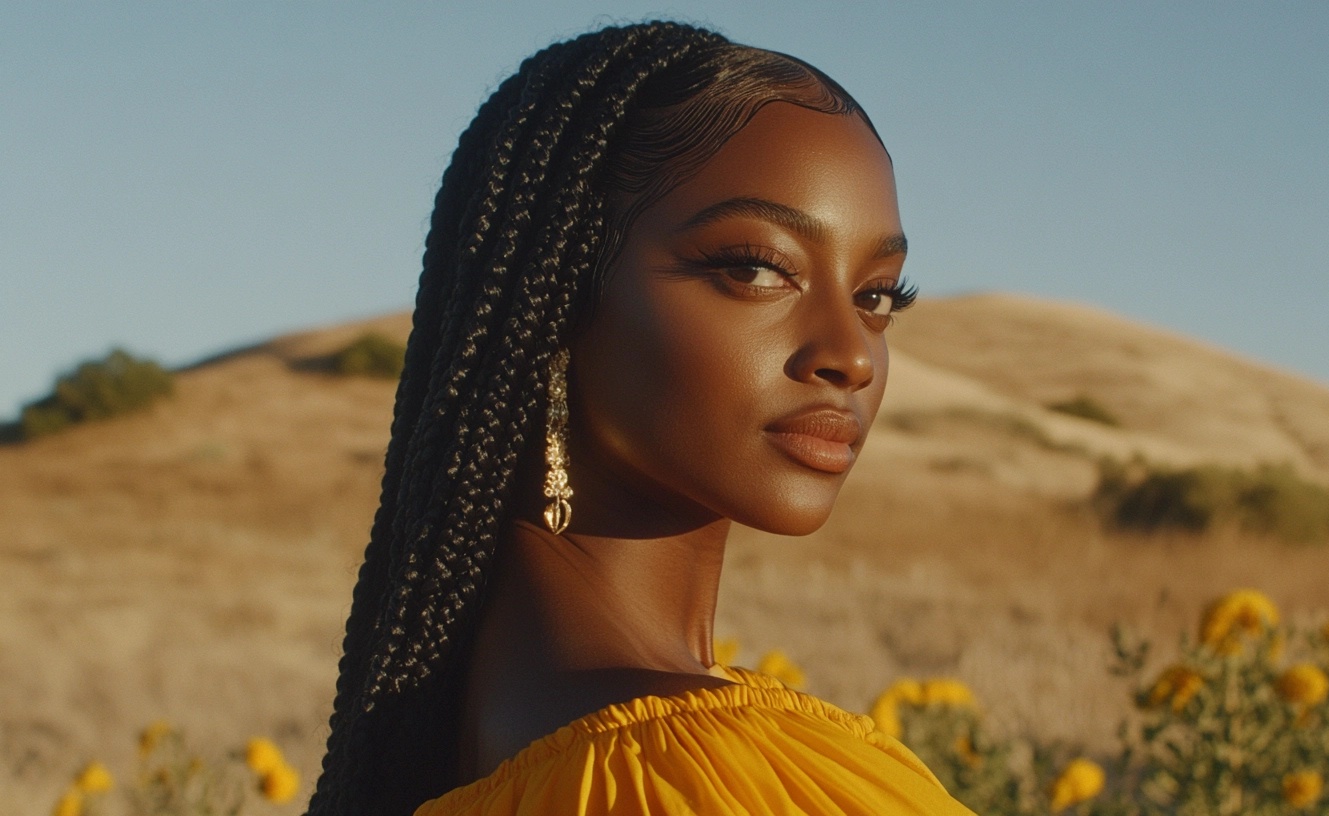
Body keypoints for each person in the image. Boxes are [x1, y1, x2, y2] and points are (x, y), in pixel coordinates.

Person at [306, 21, 975, 816]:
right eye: (756, 268)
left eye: (875, 296)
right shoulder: (673, 777)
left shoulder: (492, 743)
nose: (852, 356)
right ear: (554, 303)